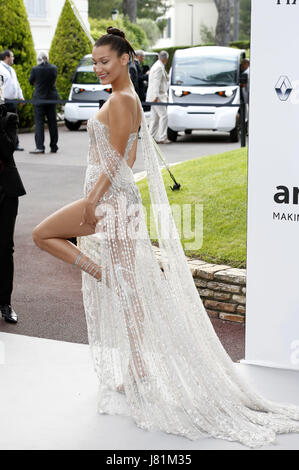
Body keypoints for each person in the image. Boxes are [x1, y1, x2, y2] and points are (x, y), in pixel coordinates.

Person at [32, 27, 299, 448]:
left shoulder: (121, 100)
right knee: (129, 288)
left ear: (125, 59)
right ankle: (137, 364)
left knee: (45, 235)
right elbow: (132, 153)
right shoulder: (127, 100)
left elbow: (120, 156)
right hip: (115, 199)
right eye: (95, 61)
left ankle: (126, 338)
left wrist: (91, 202)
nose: (99, 68)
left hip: (109, 202)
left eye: (105, 61)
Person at [0, 101, 26, 323]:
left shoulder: (9, 115)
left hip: (5, 192)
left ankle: (5, 303)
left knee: (4, 248)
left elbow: (7, 149)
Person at [29, 52, 59, 154]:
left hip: (39, 99)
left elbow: (31, 81)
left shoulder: (35, 69)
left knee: (39, 123)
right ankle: (54, 147)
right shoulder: (53, 68)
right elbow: (53, 80)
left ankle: (40, 147)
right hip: (51, 98)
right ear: (47, 58)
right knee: (52, 123)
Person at [0, 50, 24, 151]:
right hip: (3, 101)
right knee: (3, 124)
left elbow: (16, 84)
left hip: (13, 101)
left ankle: (15, 144)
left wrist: (21, 97)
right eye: (12, 56)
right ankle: (4, 145)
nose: (13, 58)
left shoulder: (11, 70)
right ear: (7, 57)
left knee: (14, 123)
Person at [146, 50, 171, 144]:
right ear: (166, 59)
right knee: (164, 116)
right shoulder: (159, 67)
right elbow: (156, 83)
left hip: (155, 96)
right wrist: (155, 96)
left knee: (155, 118)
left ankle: (151, 137)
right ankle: (162, 137)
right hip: (157, 96)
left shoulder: (157, 65)